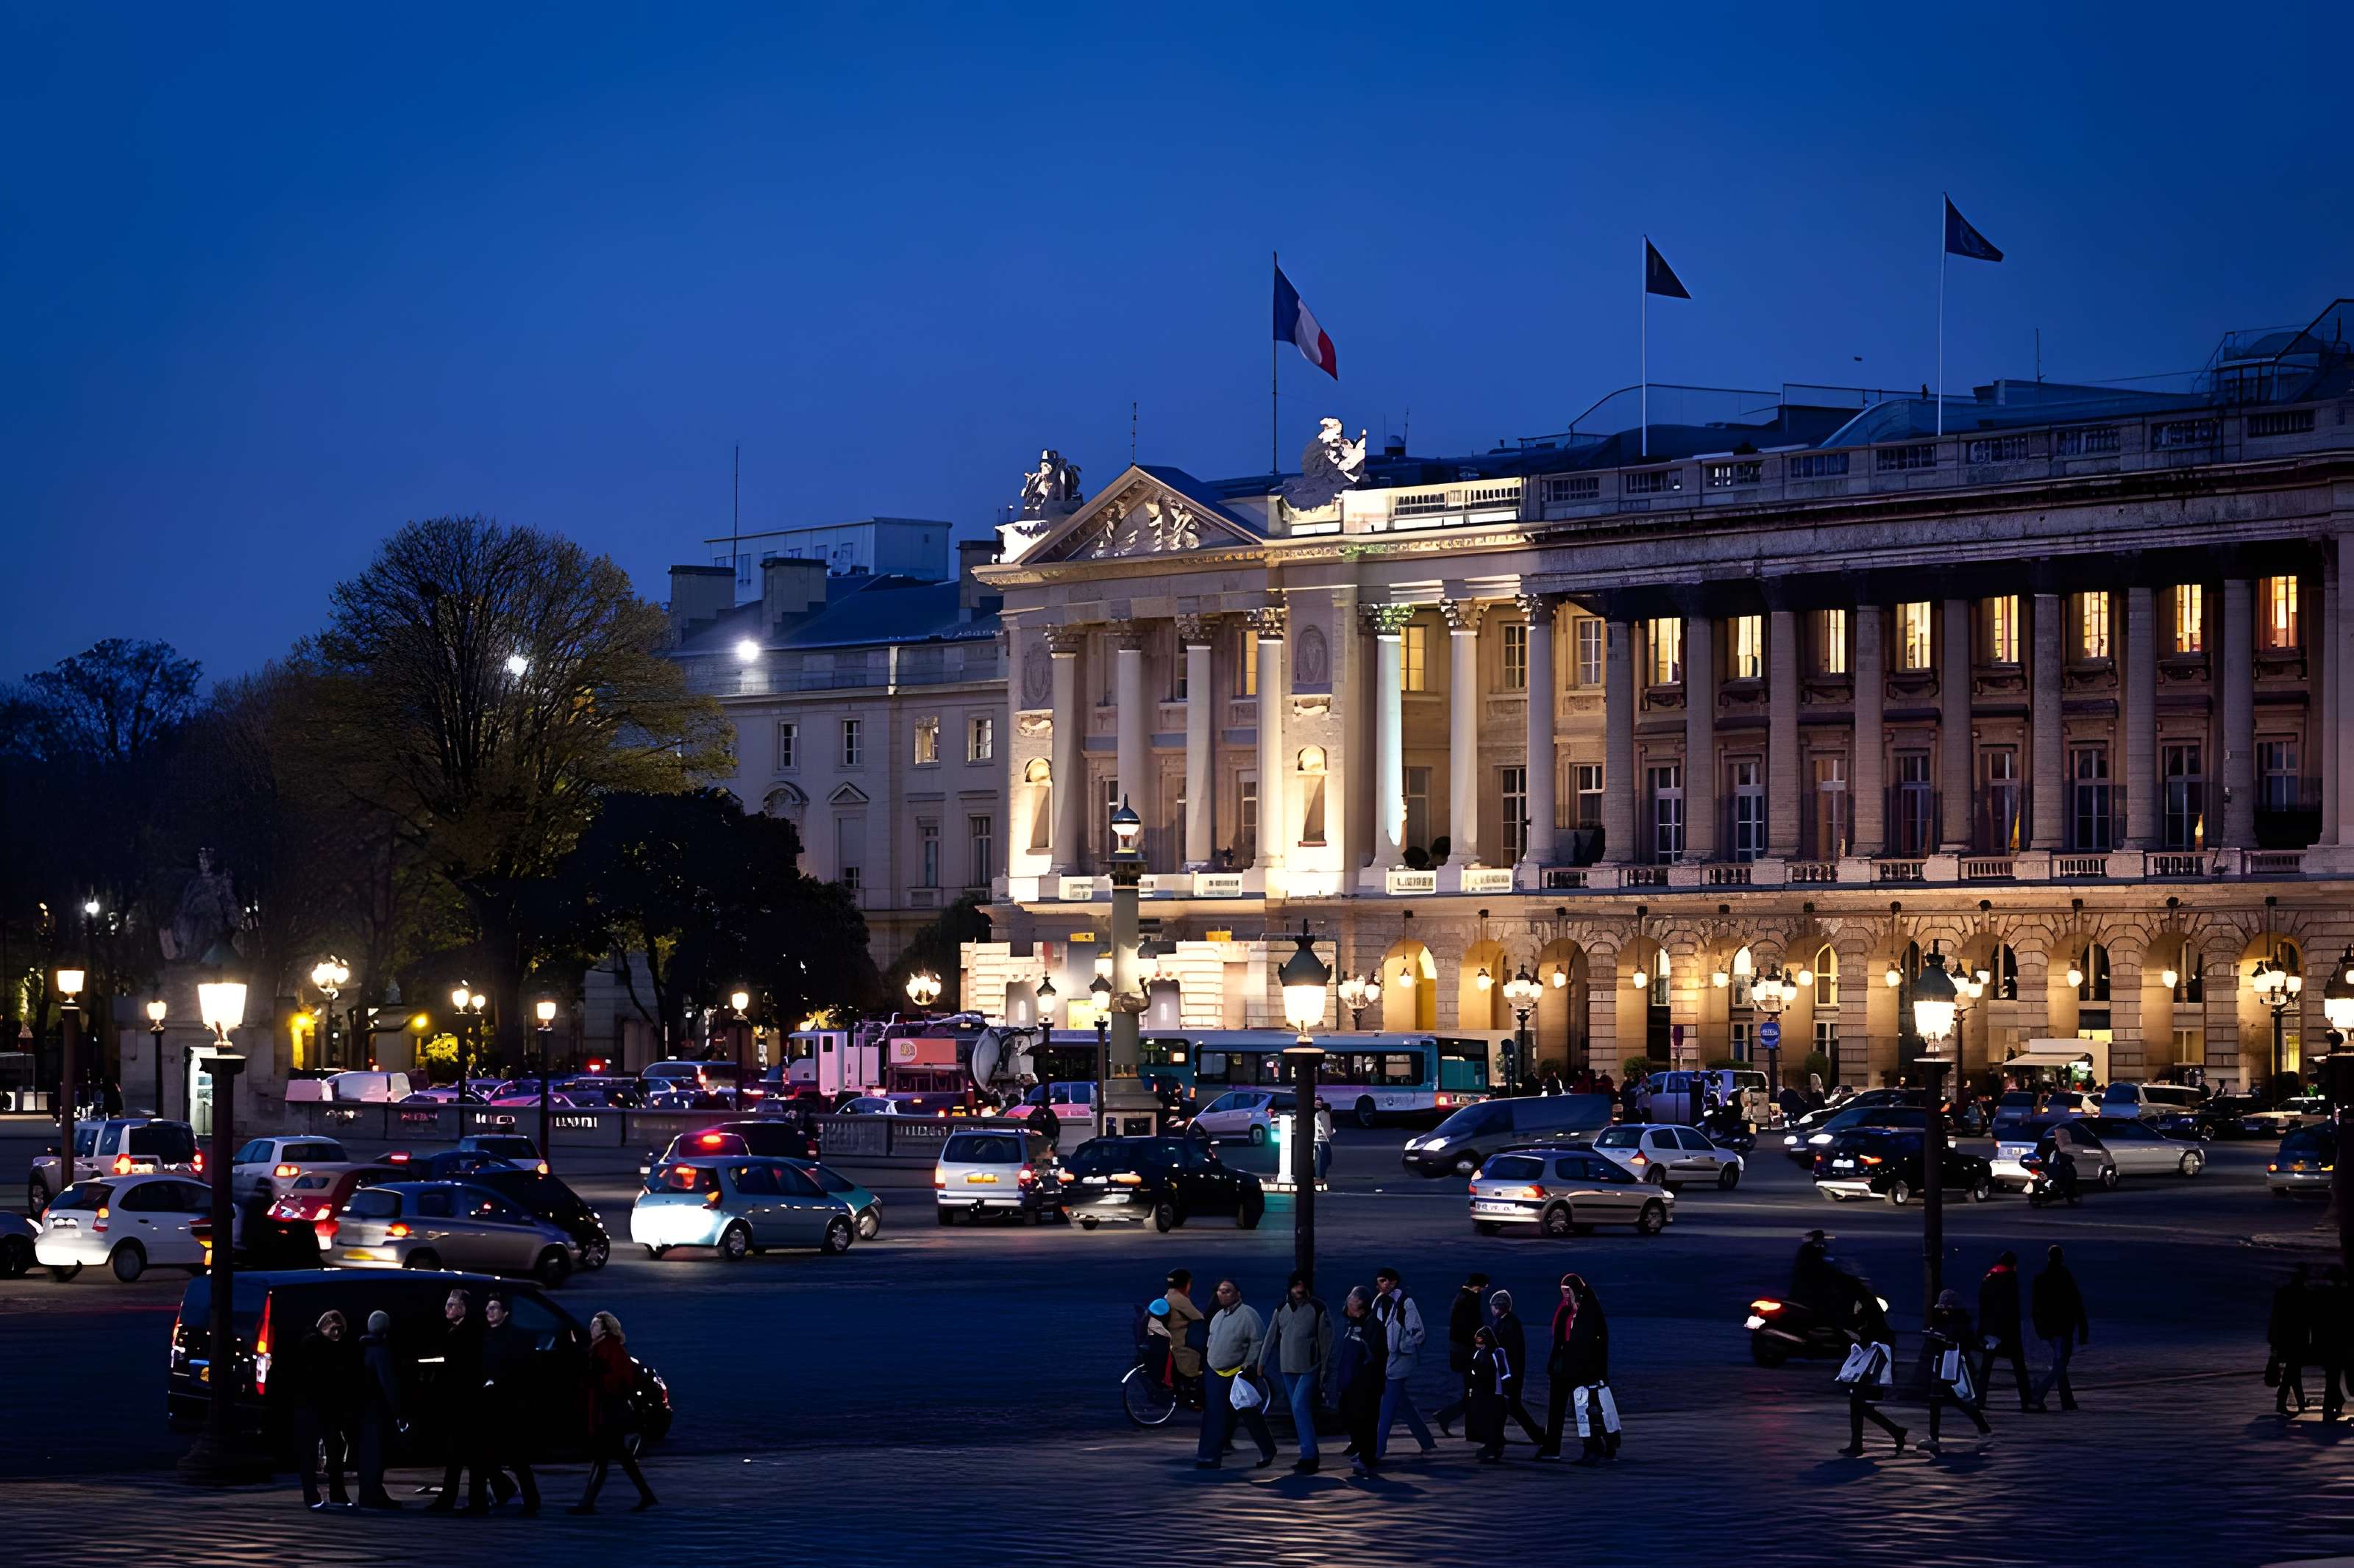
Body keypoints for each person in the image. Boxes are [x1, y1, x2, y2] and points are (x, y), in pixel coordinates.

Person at [427, 1287, 505, 1511]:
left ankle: (473, 1500)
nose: (447, 1308)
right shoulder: (456, 1330)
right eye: (447, 1304)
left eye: (452, 1304)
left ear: (465, 1308)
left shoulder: (470, 1332)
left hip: (468, 1402)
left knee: (467, 1453)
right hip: (461, 1401)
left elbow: (465, 1369)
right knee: (460, 1453)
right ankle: (458, 1499)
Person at [571, 1311, 656, 1513]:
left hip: (608, 1412)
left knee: (603, 1459)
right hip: (609, 1411)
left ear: (605, 1329)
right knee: (621, 1458)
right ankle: (647, 1496)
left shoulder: (607, 1349)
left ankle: (587, 1504)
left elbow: (613, 1380)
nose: (591, 1329)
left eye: (595, 1326)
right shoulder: (604, 1348)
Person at [1196, 1278, 1276, 1469]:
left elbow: (1258, 1341)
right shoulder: (1218, 1317)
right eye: (1220, 1291)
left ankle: (1267, 1448)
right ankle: (1208, 1457)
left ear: (1238, 1294)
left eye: (1228, 1291)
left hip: (1236, 1373)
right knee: (1214, 1415)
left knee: (1248, 1412)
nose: (1223, 1295)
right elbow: (1211, 1342)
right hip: (1215, 1373)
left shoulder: (1248, 1315)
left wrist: (1248, 1366)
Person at [1259, 1271, 1333, 1473]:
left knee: (1300, 1407)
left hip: (1309, 1368)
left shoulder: (1318, 1308)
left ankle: (1310, 1456)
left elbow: (1326, 1342)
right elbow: (1270, 1336)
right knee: (1298, 1409)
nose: (1299, 1290)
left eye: (1302, 1286)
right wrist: (1261, 1362)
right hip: (1287, 1368)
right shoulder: (1282, 1308)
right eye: (1296, 1286)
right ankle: (1307, 1454)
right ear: (1290, 1288)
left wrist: (1324, 1370)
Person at [479, 1294, 542, 1513]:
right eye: (488, 1308)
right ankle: (507, 1491)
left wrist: (495, 1380)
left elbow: (517, 1369)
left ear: (505, 1313)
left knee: (516, 1457)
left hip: (508, 1403)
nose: (490, 1312)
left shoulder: (512, 1338)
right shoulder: (488, 1336)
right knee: (490, 1454)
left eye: (495, 1308)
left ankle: (531, 1500)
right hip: (493, 1403)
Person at [292, 1309, 357, 1509]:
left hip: (316, 1406)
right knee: (324, 1450)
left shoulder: (313, 1344)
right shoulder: (318, 1346)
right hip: (318, 1406)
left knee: (321, 1450)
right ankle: (327, 1494)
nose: (337, 1334)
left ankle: (316, 1495)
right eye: (334, 1329)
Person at [1370, 1267, 1437, 1460]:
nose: (1383, 1284)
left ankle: (1377, 1450)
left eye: (1387, 1281)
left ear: (1395, 1282)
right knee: (1402, 1403)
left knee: (1387, 1407)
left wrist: (1400, 1346)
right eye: (1381, 1281)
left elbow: (1418, 1334)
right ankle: (1426, 1441)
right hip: (1385, 1361)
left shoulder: (1406, 1303)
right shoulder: (1378, 1301)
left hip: (1399, 1361)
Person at [1922, 1289, 1991, 1453]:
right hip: (1944, 1364)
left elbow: (1969, 1341)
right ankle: (1934, 1438)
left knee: (1957, 1400)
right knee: (1938, 1399)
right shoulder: (1950, 1319)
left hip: (1955, 1365)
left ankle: (1984, 1429)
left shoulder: (1957, 1322)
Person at [1838, 1290, 1906, 1457]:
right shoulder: (1872, 1315)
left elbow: (1868, 1338)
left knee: (1859, 1404)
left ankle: (1895, 1432)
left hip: (1869, 1365)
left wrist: (1855, 1335)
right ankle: (1857, 1444)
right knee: (1857, 1404)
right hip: (1868, 1364)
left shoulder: (1869, 1315)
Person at [1331, 1286, 1388, 1475]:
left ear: (1362, 1309)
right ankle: (1362, 1450)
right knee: (1349, 1416)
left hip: (1366, 1384)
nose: (1348, 1311)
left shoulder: (1374, 1327)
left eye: (1352, 1308)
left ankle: (1367, 1458)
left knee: (1367, 1421)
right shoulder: (1350, 1322)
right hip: (1350, 1382)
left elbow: (1375, 1357)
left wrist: (1364, 1379)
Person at [1561, 1274, 1617, 1464]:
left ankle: (1592, 1449)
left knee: (1587, 1412)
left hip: (1586, 1373)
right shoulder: (1590, 1309)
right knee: (1597, 1410)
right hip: (1592, 1372)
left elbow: (1583, 1344)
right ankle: (1606, 1444)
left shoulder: (1585, 1313)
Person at [2029, 1243, 2089, 1412]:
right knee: (2061, 1363)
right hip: (2063, 1327)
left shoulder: (2041, 1279)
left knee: (2060, 1362)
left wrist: (2039, 1327)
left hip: (2050, 1328)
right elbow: (2076, 1303)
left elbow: (2036, 1307)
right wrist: (2082, 1327)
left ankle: (2065, 1400)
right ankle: (2043, 1393)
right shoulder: (2065, 1277)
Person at [355, 1310, 405, 1509]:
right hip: (377, 1410)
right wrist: (399, 1411)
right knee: (376, 1454)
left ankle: (368, 1493)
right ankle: (373, 1495)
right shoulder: (381, 1351)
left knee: (366, 1455)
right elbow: (388, 1384)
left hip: (363, 1409)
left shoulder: (362, 1348)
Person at [1486, 1289, 1545, 1448]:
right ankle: (1498, 1437)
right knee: (1508, 1407)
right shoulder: (1508, 1322)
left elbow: (1507, 1351)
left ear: (1498, 1307)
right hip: (1511, 1373)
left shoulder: (1506, 1325)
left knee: (1511, 1407)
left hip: (1509, 1374)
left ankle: (1538, 1436)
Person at [1434, 1272, 1490, 1436]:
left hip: (1460, 1351)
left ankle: (1453, 1419)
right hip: (1468, 1352)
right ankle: (1452, 1419)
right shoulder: (1470, 1300)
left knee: (1472, 1391)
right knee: (1473, 1391)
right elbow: (1473, 1327)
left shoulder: (1462, 1298)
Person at [1977, 1250, 2034, 1411]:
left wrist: (1981, 1330)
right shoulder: (2010, 1279)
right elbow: (2012, 1309)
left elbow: (1983, 1306)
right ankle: (2026, 1400)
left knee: (1986, 1367)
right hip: (2008, 1332)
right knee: (2019, 1368)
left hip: (1991, 1331)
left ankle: (1980, 1400)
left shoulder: (1989, 1278)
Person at [2270, 1263, 2316, 1416]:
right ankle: (2282, 1403)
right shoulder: (2306, 1295)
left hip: (2284, 1338)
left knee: (2293, 1372)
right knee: (2292, 1372)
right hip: (2298, 1339)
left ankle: (2300, 1403)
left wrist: (2273, 1340)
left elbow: (2275, 1318)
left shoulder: (2283, 1293)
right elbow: (2310, 1321)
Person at [1465, 1325, 1509, 1463]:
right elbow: (1473, 1374)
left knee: (1493, 1422)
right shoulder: (1480, 1354)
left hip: (1495, 1393)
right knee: (1490, 1422)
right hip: (1485, 1393)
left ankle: (1493, 1447)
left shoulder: (1497, 1353)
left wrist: (1506, 1392)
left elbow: (1504, 1374)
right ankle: (1495, 1446)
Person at [2311, 1264, 2349, 1420]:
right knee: (2339, 1376)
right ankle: (2335, 1406)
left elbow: (2317, 1321)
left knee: (2331, 1377)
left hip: (2328, 1342)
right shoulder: (2346, 1295)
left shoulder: (2323, 1295)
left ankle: (2330, 1409)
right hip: (2343, 1343)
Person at [1162, 1269, 1206, 1386]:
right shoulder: (1179, 1298)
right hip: (1183, 1343)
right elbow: (1199, 1318)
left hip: (1174, 1341)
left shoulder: (1169, 1295)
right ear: (1184, 1284)